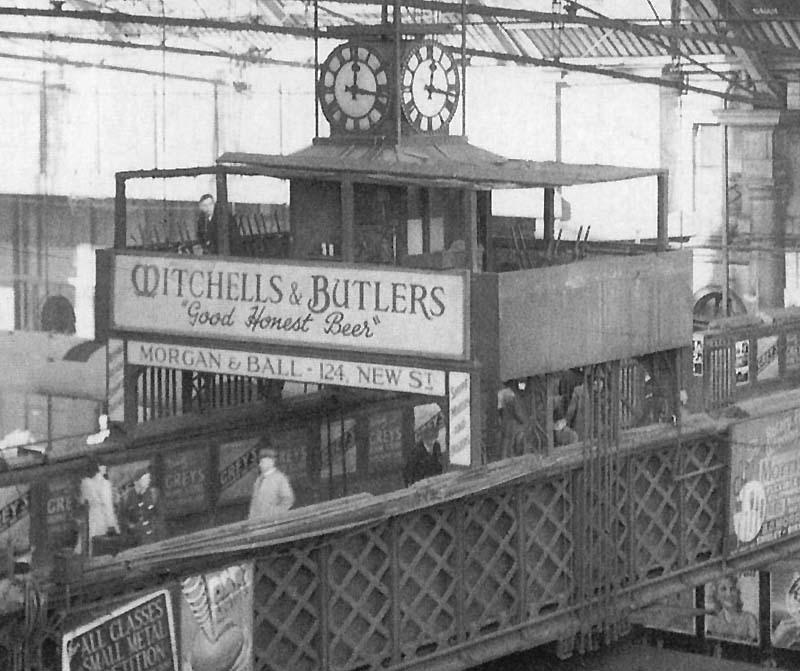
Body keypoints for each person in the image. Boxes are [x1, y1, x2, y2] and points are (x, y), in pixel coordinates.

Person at [79, 458, 119, 556]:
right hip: (102, 522)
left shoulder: (85, 483)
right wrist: (112, 525)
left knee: (87, 546)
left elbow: (82, 501)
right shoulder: (105, 484)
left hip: (90, 519)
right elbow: (107, 505)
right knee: (103, 549)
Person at [248, 440, 295, 521]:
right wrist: (251, 519)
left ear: (271, 461)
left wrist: (275, 513)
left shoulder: (280, 478)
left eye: (263, 461)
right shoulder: (258, 480)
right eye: (260, 462)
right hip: (256, 522)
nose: (260, 465)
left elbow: (288, 499)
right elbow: (254, 502)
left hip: (272, 522)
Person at [118, 465, 165, 546]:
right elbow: (122, 518)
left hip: (153, 538)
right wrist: (131, 526)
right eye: (145, 478)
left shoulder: (154, 494)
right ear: (137, 481)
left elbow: (159, 516)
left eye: (148, 478)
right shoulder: (126, 498)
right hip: (135, 540)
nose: (149, 481)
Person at [705, 574, 758, 643]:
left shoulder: (749, 619)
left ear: (737, 592)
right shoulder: (713, 622)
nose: (729, 594)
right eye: (723, 589)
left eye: (732, 589)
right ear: (717, 595)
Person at [403, 417, 443, 486]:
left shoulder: (437, 446)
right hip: (419, 483)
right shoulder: (417, 451)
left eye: (434, 438)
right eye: (430, 439)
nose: (432, 442)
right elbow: (408, 471)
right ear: (425, 439)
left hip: (433, 482)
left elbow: (438, 466)